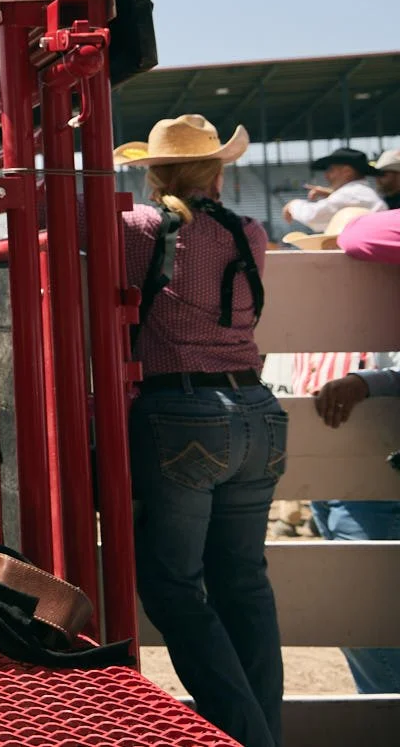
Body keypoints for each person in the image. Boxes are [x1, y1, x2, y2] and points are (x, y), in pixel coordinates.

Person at [111, 115, 284, 747]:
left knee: (171, 585)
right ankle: (268, 732)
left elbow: (50, 209)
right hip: (259, 410)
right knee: (243, 582)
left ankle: (247, 737)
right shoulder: (252, 232)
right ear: (218, 170)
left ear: (153, 173)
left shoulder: (137, 230)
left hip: (181, 410)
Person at [305, 207, 400, 694]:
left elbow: (364, 235)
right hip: (356, 454)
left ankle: (385, 705)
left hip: (367, 462)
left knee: (362, 605)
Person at [282, 146, 384, 231]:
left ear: (347, 171)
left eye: (331, 170)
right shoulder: (360, 192)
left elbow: (314, 216)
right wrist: (332, 194)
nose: (326, 175)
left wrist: (293, 205)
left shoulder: (351, 193)